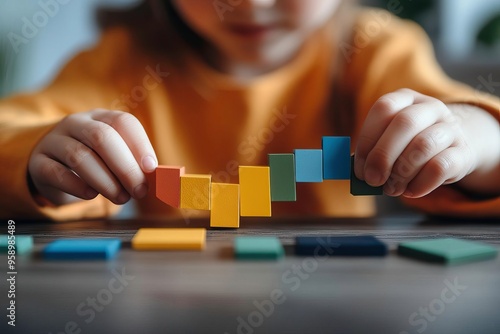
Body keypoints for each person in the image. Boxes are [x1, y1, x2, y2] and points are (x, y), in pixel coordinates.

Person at [0, 0, 498, 220]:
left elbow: (472, 133)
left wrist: (474, 138)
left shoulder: (374, 50)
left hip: (334, 297)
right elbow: (11, 130)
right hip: (170, 299)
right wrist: (39, 161)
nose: (251, 2)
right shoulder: (120, 62)